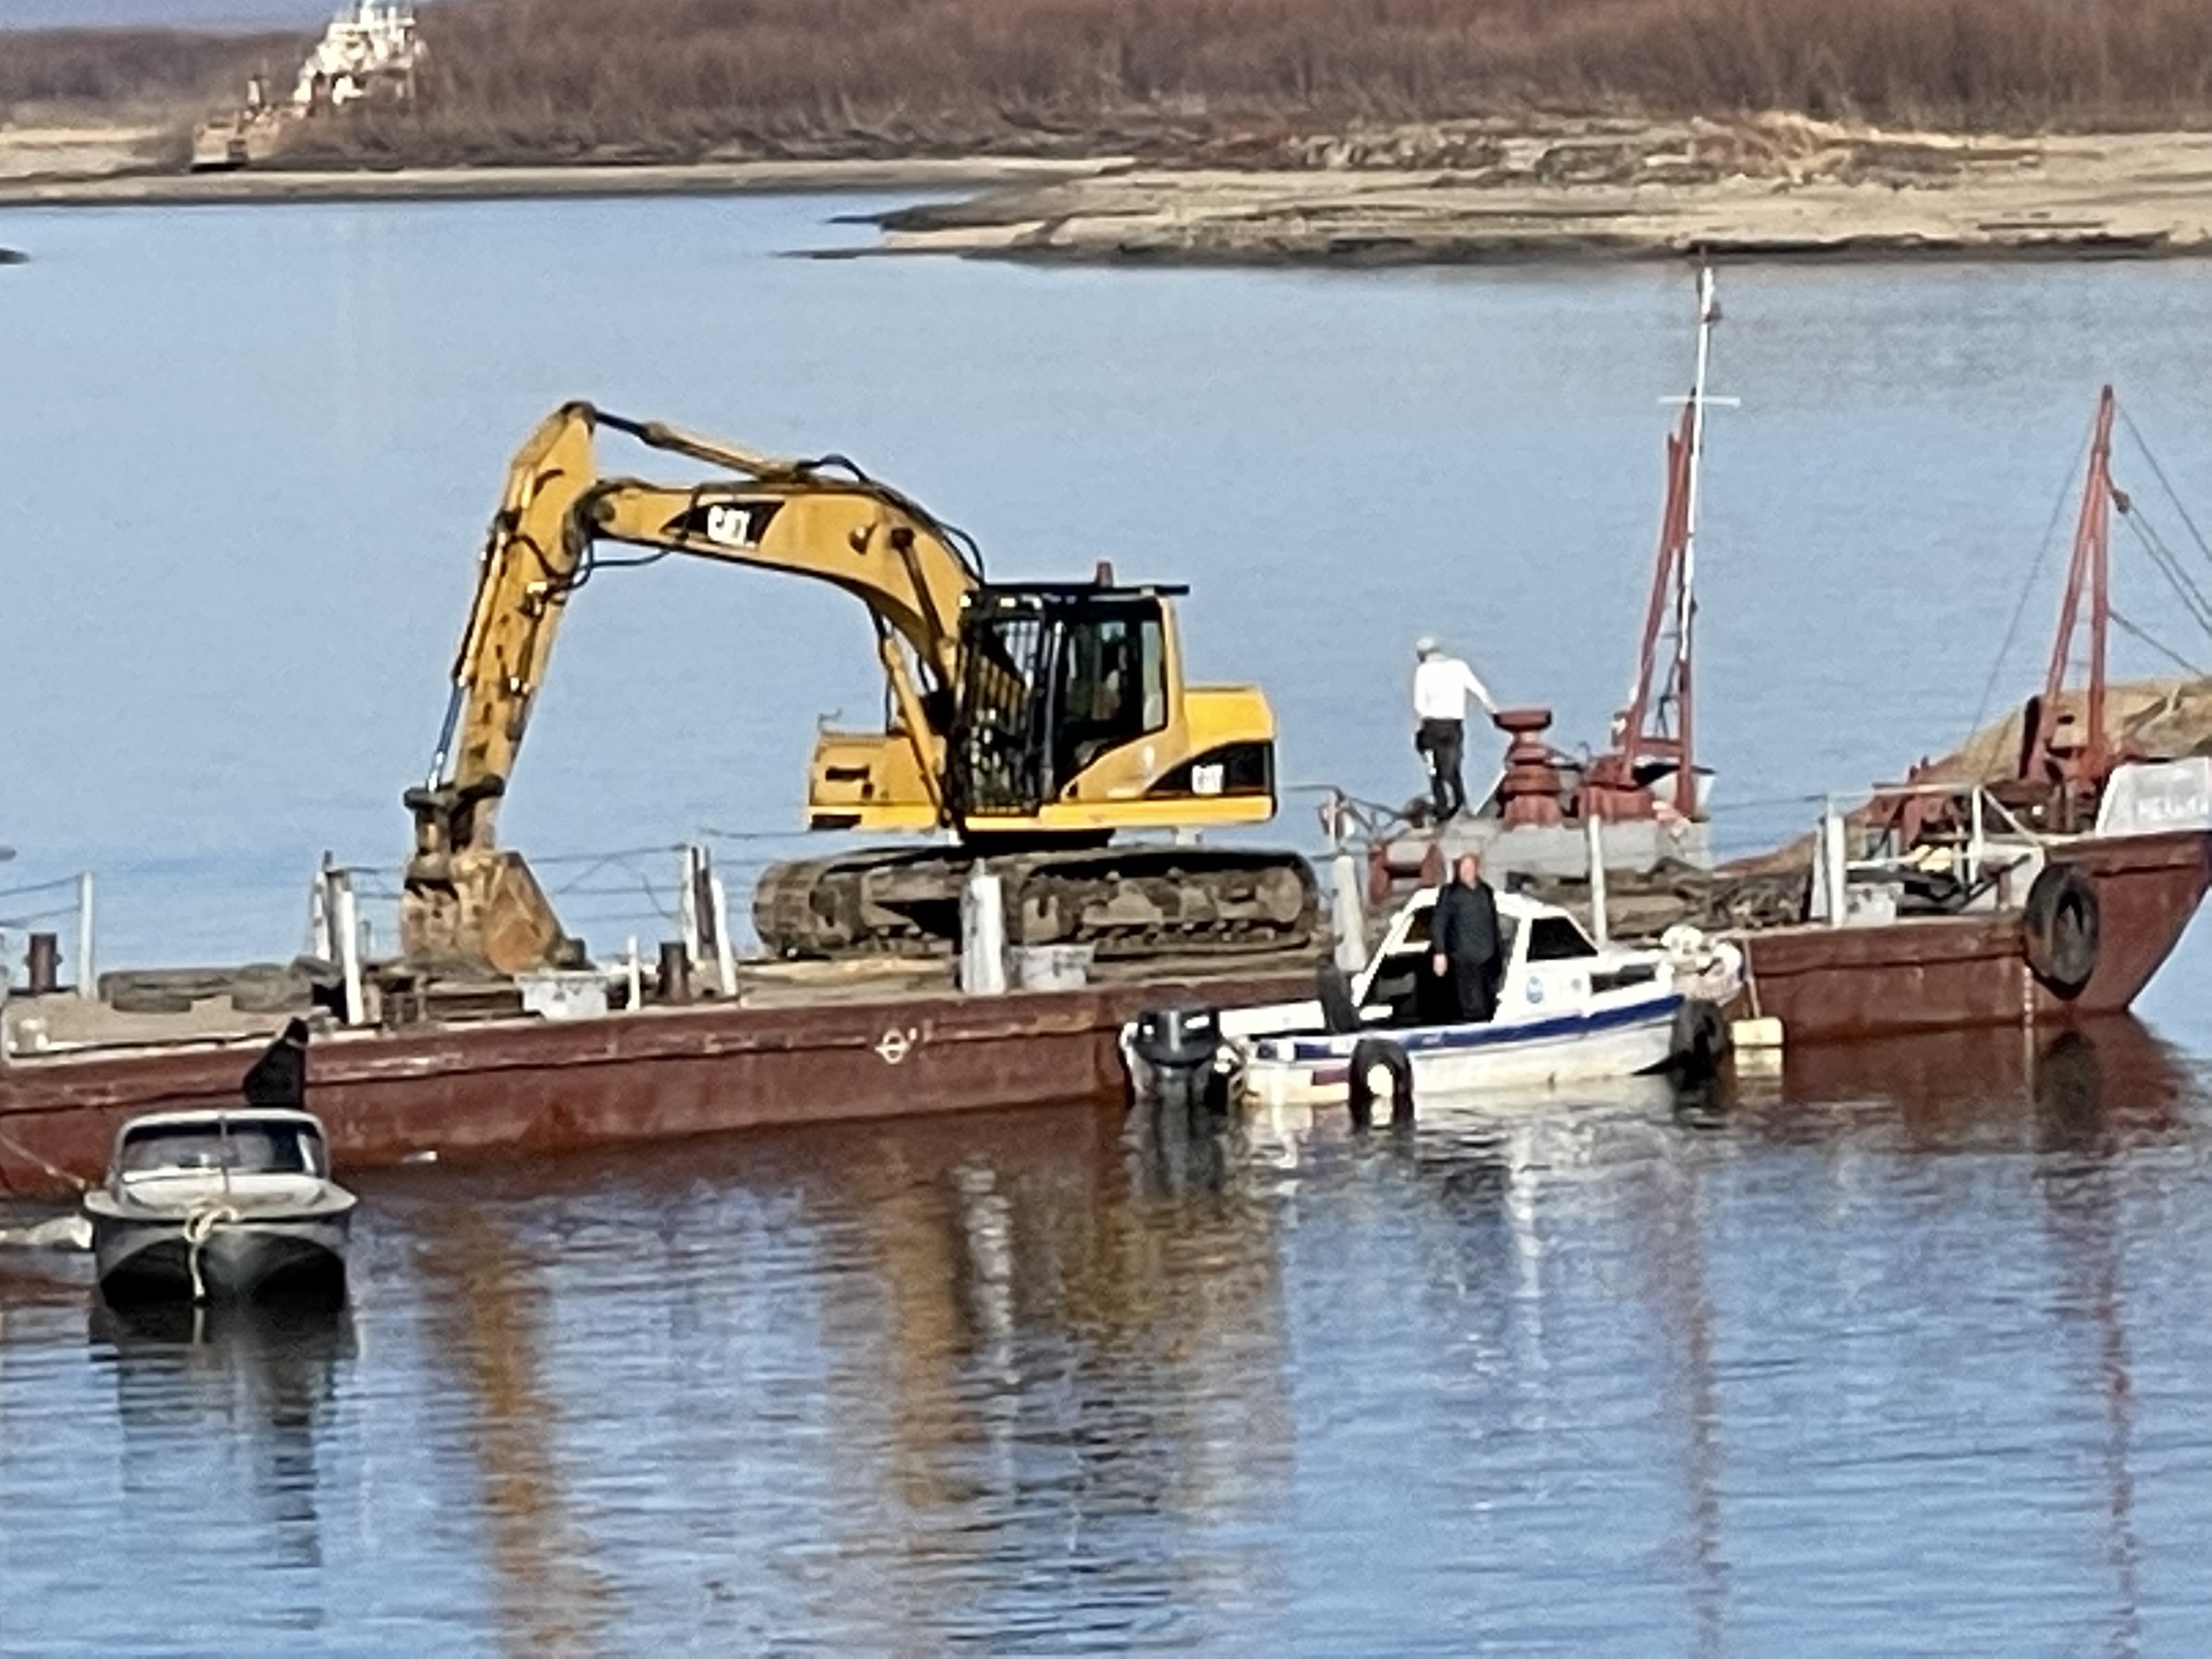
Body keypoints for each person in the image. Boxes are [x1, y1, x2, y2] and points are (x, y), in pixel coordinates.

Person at [1412, 637, 1499, 821]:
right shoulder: (1458, 667)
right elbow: (1480, 691)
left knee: (1434, 769)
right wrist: (1493, 712)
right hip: (1454, 724)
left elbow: (1420, 706)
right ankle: (1461, 804)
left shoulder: (1424, 671)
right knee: (1453, 765)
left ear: (1422, 655)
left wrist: (1418, 731)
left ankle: (1443, 810)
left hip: (1432, 725)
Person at [1431, 853, 1503, 1023]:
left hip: (1488, 958)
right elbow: (1439, 923)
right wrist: (1440, 952)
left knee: (1490, 1004)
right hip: (1464, 958)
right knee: (1471, 1006)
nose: (1466, 871)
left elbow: (1494, 924)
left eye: (1470, 867)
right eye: (1463, 867)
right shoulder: (1450, 893)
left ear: (1477, 869)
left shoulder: (1486, 891)